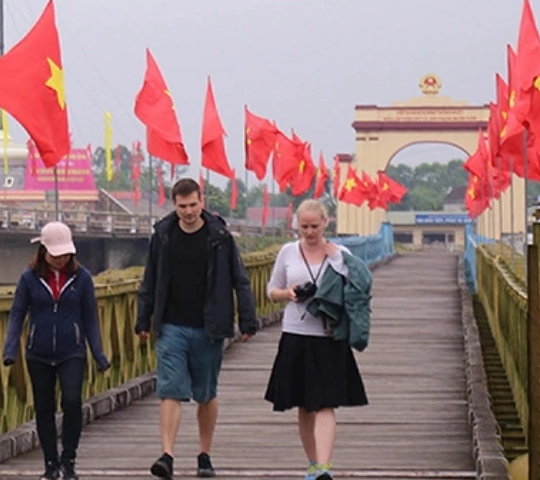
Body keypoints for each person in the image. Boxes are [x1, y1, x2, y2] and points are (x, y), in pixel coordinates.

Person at [135, 177, 258, 479]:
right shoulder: (163, 235)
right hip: (171, 324)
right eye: (182, 206)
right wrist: (143, 318)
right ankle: (167, 455)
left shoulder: (219, 236)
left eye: (193, 205)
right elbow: (150, 279)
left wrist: (247, 319)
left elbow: (239, 278)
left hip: (209, 326)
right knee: (170, 390)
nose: (188, 212)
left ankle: (204, 453)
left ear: (202, 202)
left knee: (205, 393)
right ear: (174, 205)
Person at [264, 200, 371, 480]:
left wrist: (337, 261)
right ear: (297, 225)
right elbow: (270, 290)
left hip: (328, 335)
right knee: (304, 404)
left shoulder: (341, 254)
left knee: (326, 403)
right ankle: (312, 463)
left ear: (326, 223)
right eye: (304, 226)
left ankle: (324, 466)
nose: (309, 232)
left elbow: (359, 286)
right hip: (296, 334)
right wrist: (288, 293)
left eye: (314, 226)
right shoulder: (288, 252)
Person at [3, 221, 111, 480]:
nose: (61, 259)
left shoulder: (82, 278)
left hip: (71, 350)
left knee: (72, 401)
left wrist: (98, 354)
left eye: (66, 254)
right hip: (38, 352)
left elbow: (90, 317)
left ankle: (69, 459)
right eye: (56, 254)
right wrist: (10, 349)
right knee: (44, 407)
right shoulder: (29, 278)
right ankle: (51, 464)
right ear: (43, 251)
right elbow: (18, 314)